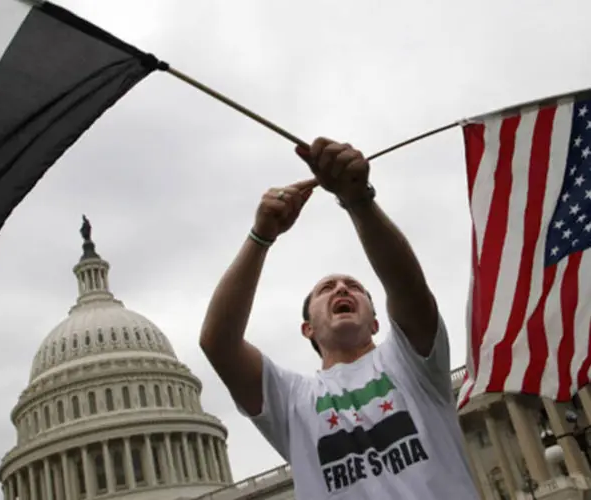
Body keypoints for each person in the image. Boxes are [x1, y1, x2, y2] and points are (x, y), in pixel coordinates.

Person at [199, 138, 478, 499]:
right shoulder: (290, 400)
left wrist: (358, 201)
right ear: (308, 329)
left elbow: (408, 287)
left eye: (355, 287)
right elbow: (218, 343)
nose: (342, 289)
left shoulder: (413, 366)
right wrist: (261, 235)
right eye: (326, 288)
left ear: (377, 323)